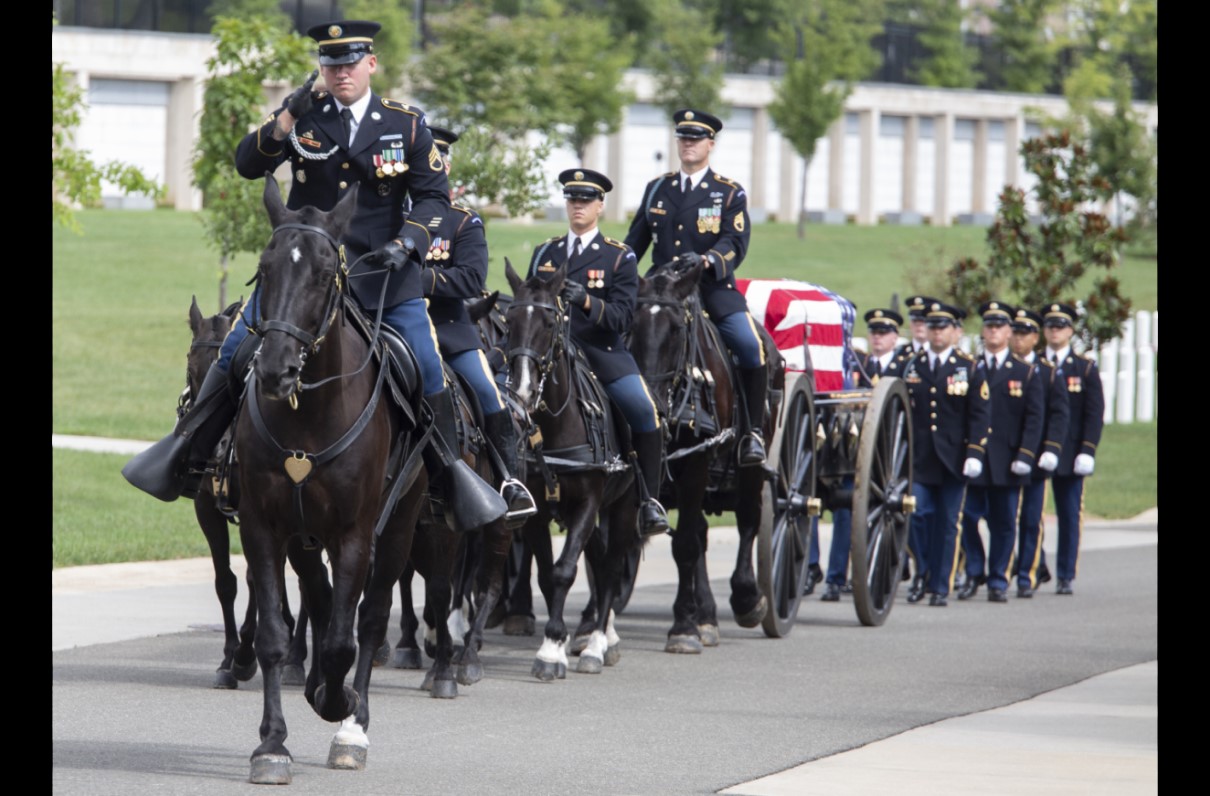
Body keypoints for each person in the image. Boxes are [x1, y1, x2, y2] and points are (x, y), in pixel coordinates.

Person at [123, 20, 505, 531]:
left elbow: (435, 195)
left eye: (349, 63)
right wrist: (285, 116)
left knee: (429, 369)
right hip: (302, 278)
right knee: (236, 351)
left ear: (371, 64)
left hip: (382, 278)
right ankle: (187, 455)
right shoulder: (303, 119)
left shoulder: (407, 125)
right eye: (330, 64)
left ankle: (449, 479)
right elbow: (245, 164)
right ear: (320, 69)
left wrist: (408, 243)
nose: (340, 72)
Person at [527, 168, 669, 537]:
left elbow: (623, 317)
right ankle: (512, 483)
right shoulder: (546, 252)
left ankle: (649, 500)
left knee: (644, 410)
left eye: (586, 200)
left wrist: (588, 301)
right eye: (572, 199)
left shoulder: (618, 257)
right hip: (552, 354)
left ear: (600, 206)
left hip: (600, 352)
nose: (578, 206)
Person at [624, 109, 770, 467]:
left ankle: (751, 433)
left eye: (695, 139)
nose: (688, 144)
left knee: (749, 346)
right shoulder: (658, 188)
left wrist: (706, 260)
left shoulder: (728, 192)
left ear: (710, 144)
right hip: (662, 289)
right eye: (683, 138)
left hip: (711, 287)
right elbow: (635, 242)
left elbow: (735, 242)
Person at [418, 124, 537, 526]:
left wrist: (419, 280)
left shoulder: (463, 222)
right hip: (397, 324)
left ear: (445, 167)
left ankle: (509, 484)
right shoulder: (391, 216)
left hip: (451, 328)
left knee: (489, 393)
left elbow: (471, 279)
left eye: (436, 161)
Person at [902, 301, 991, 606]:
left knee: (948, 524)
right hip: (920, 458)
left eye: (943, 327)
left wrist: (975, 452)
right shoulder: (911, 365)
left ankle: (940, 585)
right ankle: (922, 573)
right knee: (916, 516)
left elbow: (980, 413)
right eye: (932, 327)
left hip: (954, 460)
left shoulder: (968, 367)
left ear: (955, 332)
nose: (937, 333)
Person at [956, 301, 1045, 603]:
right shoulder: (970, 368)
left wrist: (1026, 455)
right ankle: (975, 569)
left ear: (1009, 331)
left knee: (1004, 523)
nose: (993, 331)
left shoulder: (1026, 372)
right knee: (967, 516)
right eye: (989, 326)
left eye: (999, 326)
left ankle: (998, 579)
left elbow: (1034, 419)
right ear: (983, 331)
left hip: (1008, 460)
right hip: (977, 457)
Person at [819, 308, 902, 602]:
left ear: (895, 337)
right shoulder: (856, 361)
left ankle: (873, 573)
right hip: (852, 452)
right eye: (874, 333)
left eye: (883, 333)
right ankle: (834, 578)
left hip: (884, 455)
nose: (877, 338)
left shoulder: (903, 366)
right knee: (844, 514)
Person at [1042, 302, 1105, 595]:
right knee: (1029, 515)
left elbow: (1093, 414)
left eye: (1060, 326)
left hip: (1070, 454)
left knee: (1068, 515)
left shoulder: (1084, 368)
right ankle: (1035, 565)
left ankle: (1066, 573)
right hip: (1036, 451)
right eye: (1050, 326)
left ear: (1070, 330)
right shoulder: (1034, 366)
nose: (1055, 331)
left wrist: (1087, 451)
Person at [1009, 308, 1068, 597]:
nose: (1018, 339)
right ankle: (1008, 568)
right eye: (1015, 332)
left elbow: (1058, 414)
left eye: (1024, 333)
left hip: (1036, 457)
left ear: (1035, 337)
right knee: (1002, 518)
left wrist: (1052, 449)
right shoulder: (1001, 369)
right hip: (1004, 456)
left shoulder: (1048, 372)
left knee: (1031, 518)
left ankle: (1027, 574)